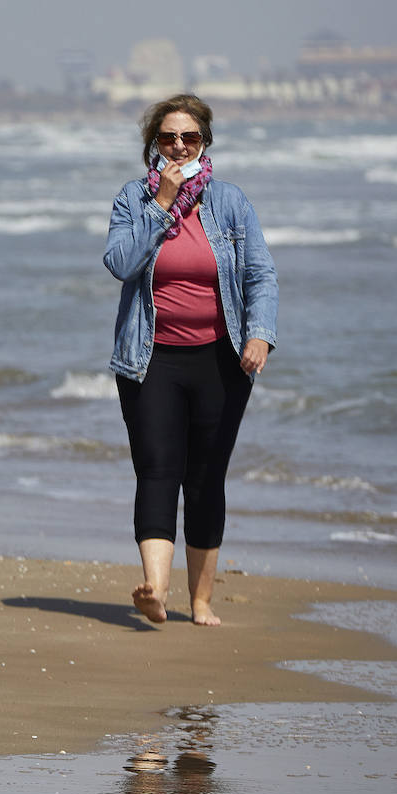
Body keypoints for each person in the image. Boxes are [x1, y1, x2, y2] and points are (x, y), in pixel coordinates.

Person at [104, 93, 278, 626]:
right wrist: (162, 203)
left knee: (206, 478)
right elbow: (119, 263)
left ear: (206, 141)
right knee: (156, 470)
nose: (179, 146)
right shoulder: (134, 199)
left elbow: (259, 274)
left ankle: (200, 601)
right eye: (168, 138)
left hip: (221, 362)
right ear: (152, 145)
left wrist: (259, 336)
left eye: (190, 137)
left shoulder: (230, 202)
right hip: (150, 361)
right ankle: (153, 591)